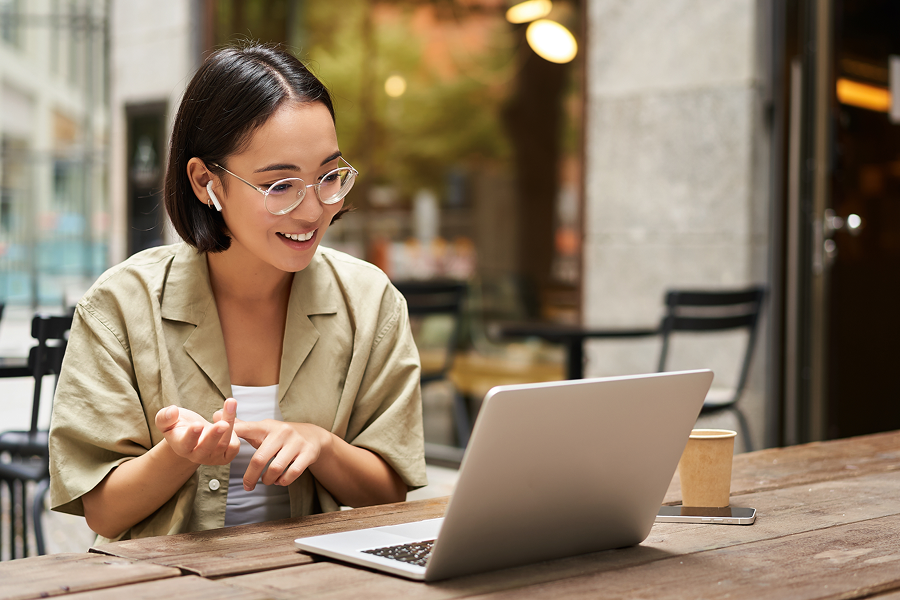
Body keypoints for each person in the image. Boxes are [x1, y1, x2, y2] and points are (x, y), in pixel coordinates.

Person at [49, 43, 427, 542]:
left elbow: (390, 492)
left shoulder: (370, 301)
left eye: (328, 177)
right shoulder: (120, 306)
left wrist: (322, 445)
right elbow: (103, 513)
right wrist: (177, 456)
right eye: (280, 185)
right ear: (207, 181)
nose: (313, 210)